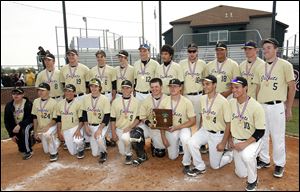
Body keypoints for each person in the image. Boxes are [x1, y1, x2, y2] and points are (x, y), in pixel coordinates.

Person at [253, 38, 296, 178]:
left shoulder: (285, 65)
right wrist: (256, 107)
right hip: (262, 106)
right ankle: (264, 160)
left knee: (278, 137)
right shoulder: (259, 67)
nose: (266, 50)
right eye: (264, 48)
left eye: (269, 48)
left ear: (276, 49)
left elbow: (292, 87)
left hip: (277, 106)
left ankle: (279, 164)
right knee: (262, 135)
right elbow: (257, 88)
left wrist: (288, 108)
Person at [187, 75, 232, 177]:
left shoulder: (223, 101)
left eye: (207, 84)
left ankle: (229, 154)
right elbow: (203, 115)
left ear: (215, 85)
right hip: (205, 130)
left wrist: (224, 142)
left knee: (215, 166)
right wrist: (199, 130)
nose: (205, 86)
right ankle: (199, 166)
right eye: (203, 84)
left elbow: (228, 123)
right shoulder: (202, 99)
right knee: (191, 142)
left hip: (217, 134)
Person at [228, 76, 266, 191]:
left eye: (237, 87)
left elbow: (260, 131)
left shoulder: (256, 106)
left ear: (246, 88)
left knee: (247, 156)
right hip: (236, 140)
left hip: (252, 140)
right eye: (232, 87)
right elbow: (229, 123)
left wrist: (244, 144)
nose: (234, 90)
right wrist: (230, 139)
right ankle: (230, 156)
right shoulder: (231, 103)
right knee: (241, 174)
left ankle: (253, 180)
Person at [160, 78, 196, 174]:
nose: (172, 88)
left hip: (183, 127)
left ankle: (187, 162)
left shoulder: (187, 101)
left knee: (186, 139)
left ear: (180, 87)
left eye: (175, 86)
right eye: (171, 86)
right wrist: (163, 137)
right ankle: (179, 147)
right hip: (170, 129)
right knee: (172, 157)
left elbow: (193, 121)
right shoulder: (164, 101)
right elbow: (160, 122)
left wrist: (177, 127)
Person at [60, 49, 90, 149]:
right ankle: (69, 138)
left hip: (81, 96)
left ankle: (86, 139)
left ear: (77, 56)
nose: (71, 57)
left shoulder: (84, 68)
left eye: (73, 55)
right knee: (70, 117)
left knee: (83, 117)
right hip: (69, 97)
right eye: (69, 55)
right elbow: (63, 84)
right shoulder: (63, 69)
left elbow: (88, 84)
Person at [110, 80, 142, 165]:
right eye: (123, 88)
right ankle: (128, 148)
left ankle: (129, 154)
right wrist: (113, 133)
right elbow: (112, 119)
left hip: (130, 129)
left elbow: (138, 118)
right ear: (121, 89)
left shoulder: (137, 102)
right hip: (119, 129)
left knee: (126, 139)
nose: (125, 90)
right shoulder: (115, 102)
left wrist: (130, 127)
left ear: (132, 89)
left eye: (128, 88)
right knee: (122, 152)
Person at [81, 78, 111, 163]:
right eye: (91, 86)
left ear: (100, 88)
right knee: (94, 153)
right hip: (90, 124)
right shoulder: (86, 98)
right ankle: (102, 142)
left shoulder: (104, 99)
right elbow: (84, 113)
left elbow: (107, 116)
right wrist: (86, 126)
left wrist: (100, 129)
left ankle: (104, 152)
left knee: (99, 137)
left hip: (101, 124)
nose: (93, 88)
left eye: (96, 86)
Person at [179, 43, 206, 130]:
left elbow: (205, 81)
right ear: (187, 52)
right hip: (186, 96)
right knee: (186, 118)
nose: (192, 53)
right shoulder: (181, 63)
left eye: (194, 51)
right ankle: (186, 139)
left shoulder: (203, 63)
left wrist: (205, 95)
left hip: (199, 95)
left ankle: (198, 140)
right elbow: (180, 81)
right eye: (190, 51)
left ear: (197, 52)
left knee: (199, 118)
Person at [139, 78, 168, 158]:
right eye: (152, 87)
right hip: (149, 126)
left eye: (156, 87)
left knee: (160, 153)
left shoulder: (168, 99)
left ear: (161, 87)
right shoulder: (146, 100)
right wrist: (149, 124)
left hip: (161, 128)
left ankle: (154, 143)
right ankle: (141, 153)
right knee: (136, 134)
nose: (154, 89)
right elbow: (142, 117)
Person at [31, 83, 60, 162]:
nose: (40, 92)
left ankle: (54, 153)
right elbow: (34, 117)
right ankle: (56, 142)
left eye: (43, 90)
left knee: (48, 134)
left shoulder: (54, 102)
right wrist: (35, 130)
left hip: (51, 125)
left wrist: (48, 126)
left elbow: (55, 118)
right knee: (46, 150)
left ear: (48, 91)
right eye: (39, 90)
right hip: (41, 127)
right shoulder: (36, 101)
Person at [56, 84, 85, 159]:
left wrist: (78, 130)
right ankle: (76, 143)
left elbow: (81, 119)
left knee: (78, 141)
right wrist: (59, 131)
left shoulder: (79, 103)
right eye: (65, 91)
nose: (67, 93)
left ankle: (81, 148)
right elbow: (58, 119)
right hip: (65, 128)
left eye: (70, 91)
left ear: (74, 93)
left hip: (76, 127)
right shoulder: (60, 103)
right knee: (72, 152)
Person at [4, 87, 33, 160]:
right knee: (21, 149)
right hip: (17, 126)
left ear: (23, 94)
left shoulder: (28, 104)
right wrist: (12, 134)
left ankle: (28, 151)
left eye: (18, 93)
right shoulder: (9, 106)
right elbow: (7, 121)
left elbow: (30, 117)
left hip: (29, 123)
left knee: (24, 130)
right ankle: (31, 140)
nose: (16, 95)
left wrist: (20, 125)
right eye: (14, 93)